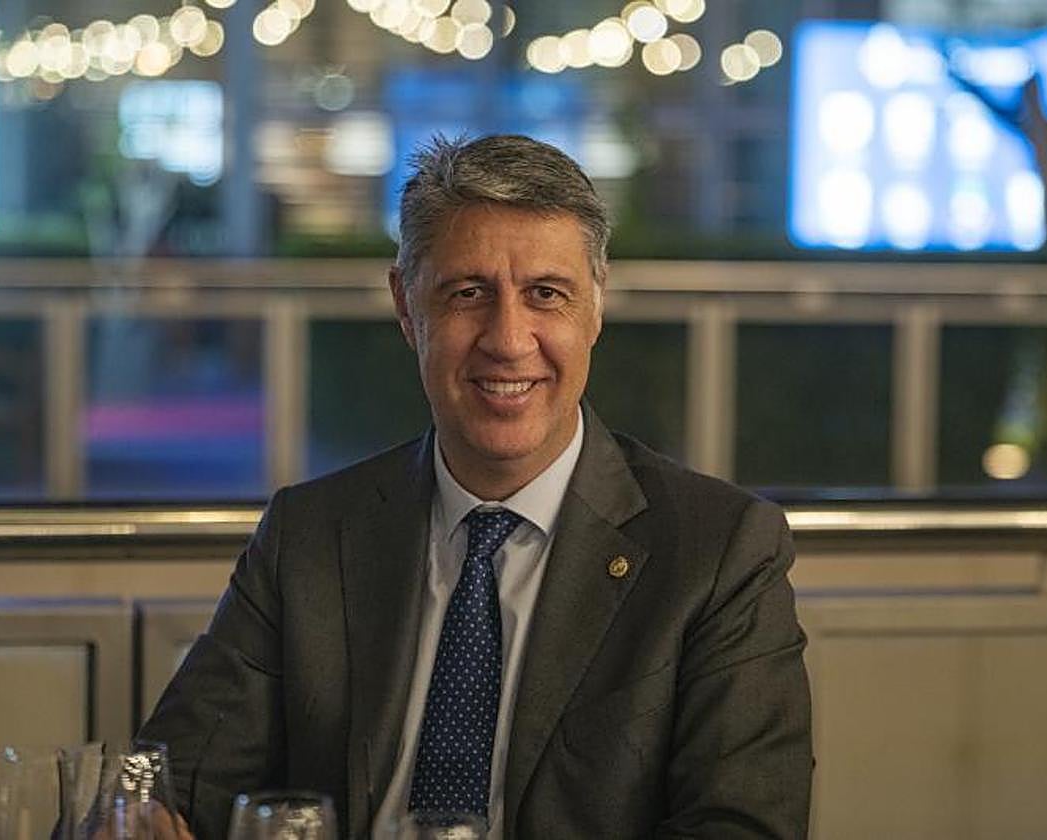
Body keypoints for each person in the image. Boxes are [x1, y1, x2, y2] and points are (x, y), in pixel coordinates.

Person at [139, 134, 813, 839]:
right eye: (468, 293)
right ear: (407, 308)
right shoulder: (309, 535)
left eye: (546, 294)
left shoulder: (718, 552)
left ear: (595, 308)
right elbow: (174, 783)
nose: (508, 340)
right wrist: (141, 816)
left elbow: (743, 827)